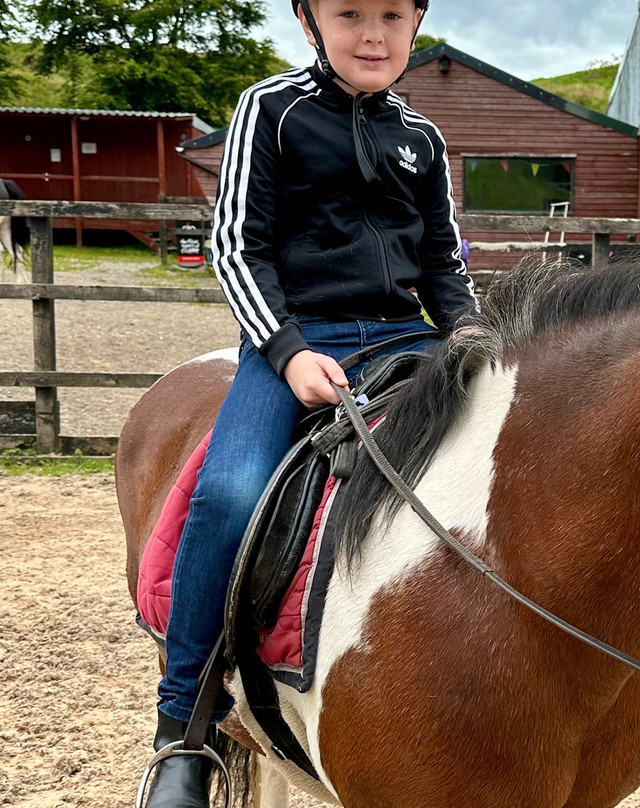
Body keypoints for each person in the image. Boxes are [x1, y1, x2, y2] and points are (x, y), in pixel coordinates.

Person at [139, 0, 478, 804]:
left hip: (406, 337)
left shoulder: (420, 140)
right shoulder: (271, 110)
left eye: (392, 15)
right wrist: (289, 354)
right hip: (299, 338)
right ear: (308, 21)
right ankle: (183, 727)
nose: (372, 34)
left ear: (416, 24)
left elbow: (444, 263)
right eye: (350, 13)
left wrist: (469, 334)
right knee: (228, 493)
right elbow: (235, 246)